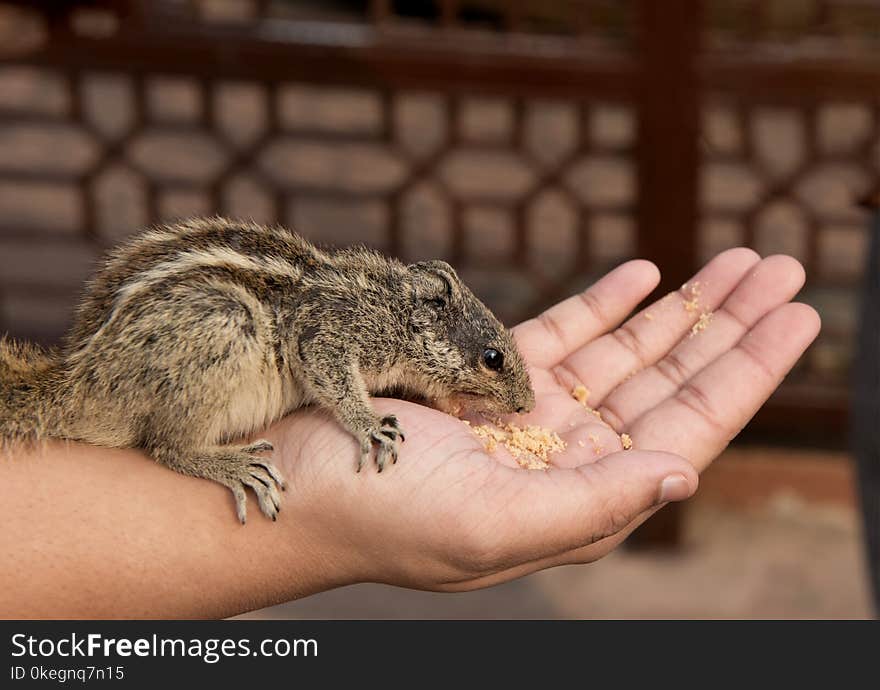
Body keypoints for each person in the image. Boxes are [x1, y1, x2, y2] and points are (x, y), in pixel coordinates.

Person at [0, 249, 819, 618]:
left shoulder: (396, 325)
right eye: (493, 363)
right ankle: (181, 447)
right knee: (227, 327)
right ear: (438, 325)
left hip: (173, 350)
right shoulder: (376, 321)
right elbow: (321, 349)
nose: (504, 386)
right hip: (185, 341)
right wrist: (357, 420)